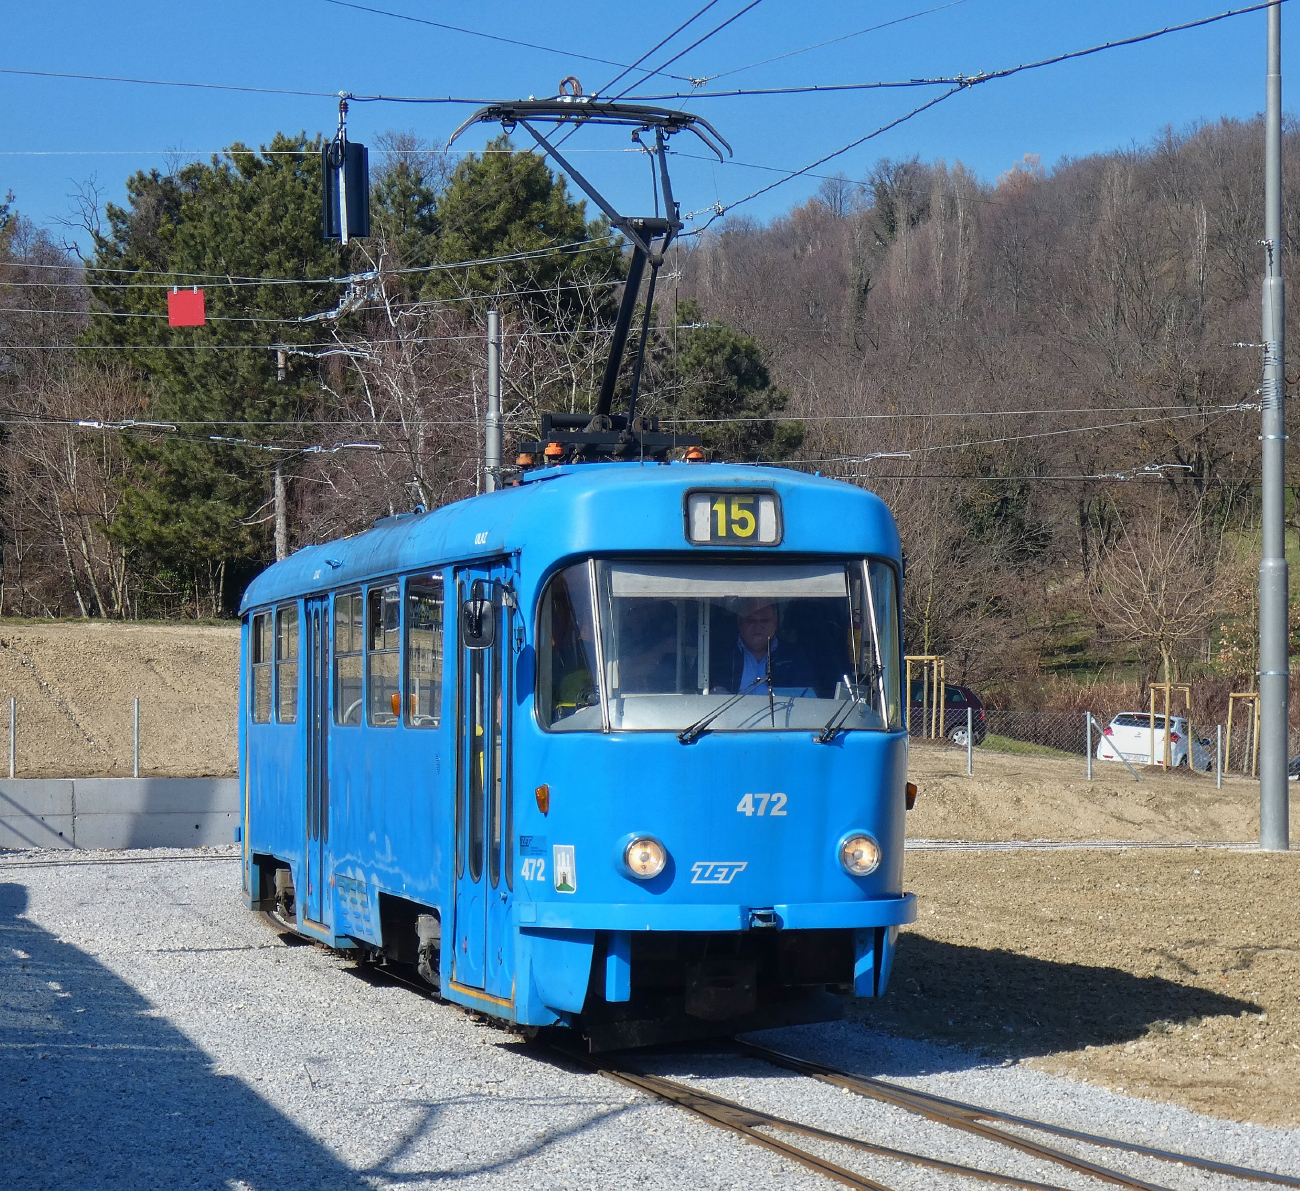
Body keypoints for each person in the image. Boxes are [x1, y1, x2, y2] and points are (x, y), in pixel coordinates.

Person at [717, 598, 814, 694]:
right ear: (740, 623)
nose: (758, 626)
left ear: (775, 623)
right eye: (751, 621)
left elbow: (806, 696)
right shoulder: (723, 655)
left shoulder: (793, 656)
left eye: (764, 621)